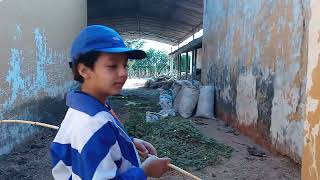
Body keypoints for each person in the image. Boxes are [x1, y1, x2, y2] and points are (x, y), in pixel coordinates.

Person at [50, 25, 171, 180]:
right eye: (112, 66)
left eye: (125, 65)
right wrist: (145, 171)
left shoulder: (92, 109)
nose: (123, 73)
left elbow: (103, 142)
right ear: (84, 70)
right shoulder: (90, 124)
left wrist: (129, 142)